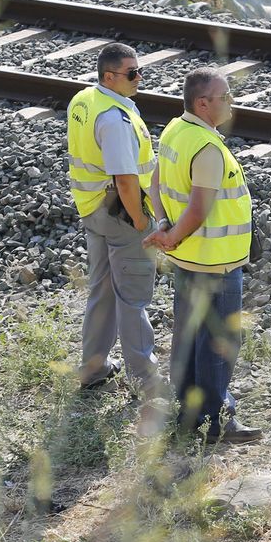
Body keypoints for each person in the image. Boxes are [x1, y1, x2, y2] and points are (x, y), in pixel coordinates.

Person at [145, 67, 262, 445]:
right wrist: (172, 236)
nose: (231, 101)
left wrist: (164, 226)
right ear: (203, 103)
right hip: (215, 263)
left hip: (189, 259)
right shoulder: (208, 148)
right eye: (224, 96)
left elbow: (155, 182)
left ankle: (187, 412)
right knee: (218, 341)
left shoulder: (175, 131)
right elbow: (198, 210)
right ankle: (216, 421)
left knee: (189, 336)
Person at [67, 43, 163, 393]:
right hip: (122, 214)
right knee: (133, 298)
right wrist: (141, 222)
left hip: (92, 208)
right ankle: (146, 380)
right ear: (109, 76)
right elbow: (125, 179)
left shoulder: (85, 99)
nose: (139, 78)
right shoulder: (115, 120)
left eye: (139, 70)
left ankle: (93, 368)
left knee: (103, 290)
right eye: (132, 73)